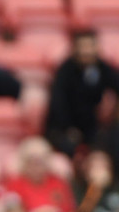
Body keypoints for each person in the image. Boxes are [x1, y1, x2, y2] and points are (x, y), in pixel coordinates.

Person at [45, 30, 119, 158]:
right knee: (66, 146)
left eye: (91, 46)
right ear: (75, 49)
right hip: (65, 127)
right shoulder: (65, 71)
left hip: (92, 126)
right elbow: (57, 105)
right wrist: (68, 128)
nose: (87, 51)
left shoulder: (102, 68)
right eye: (83, 47)